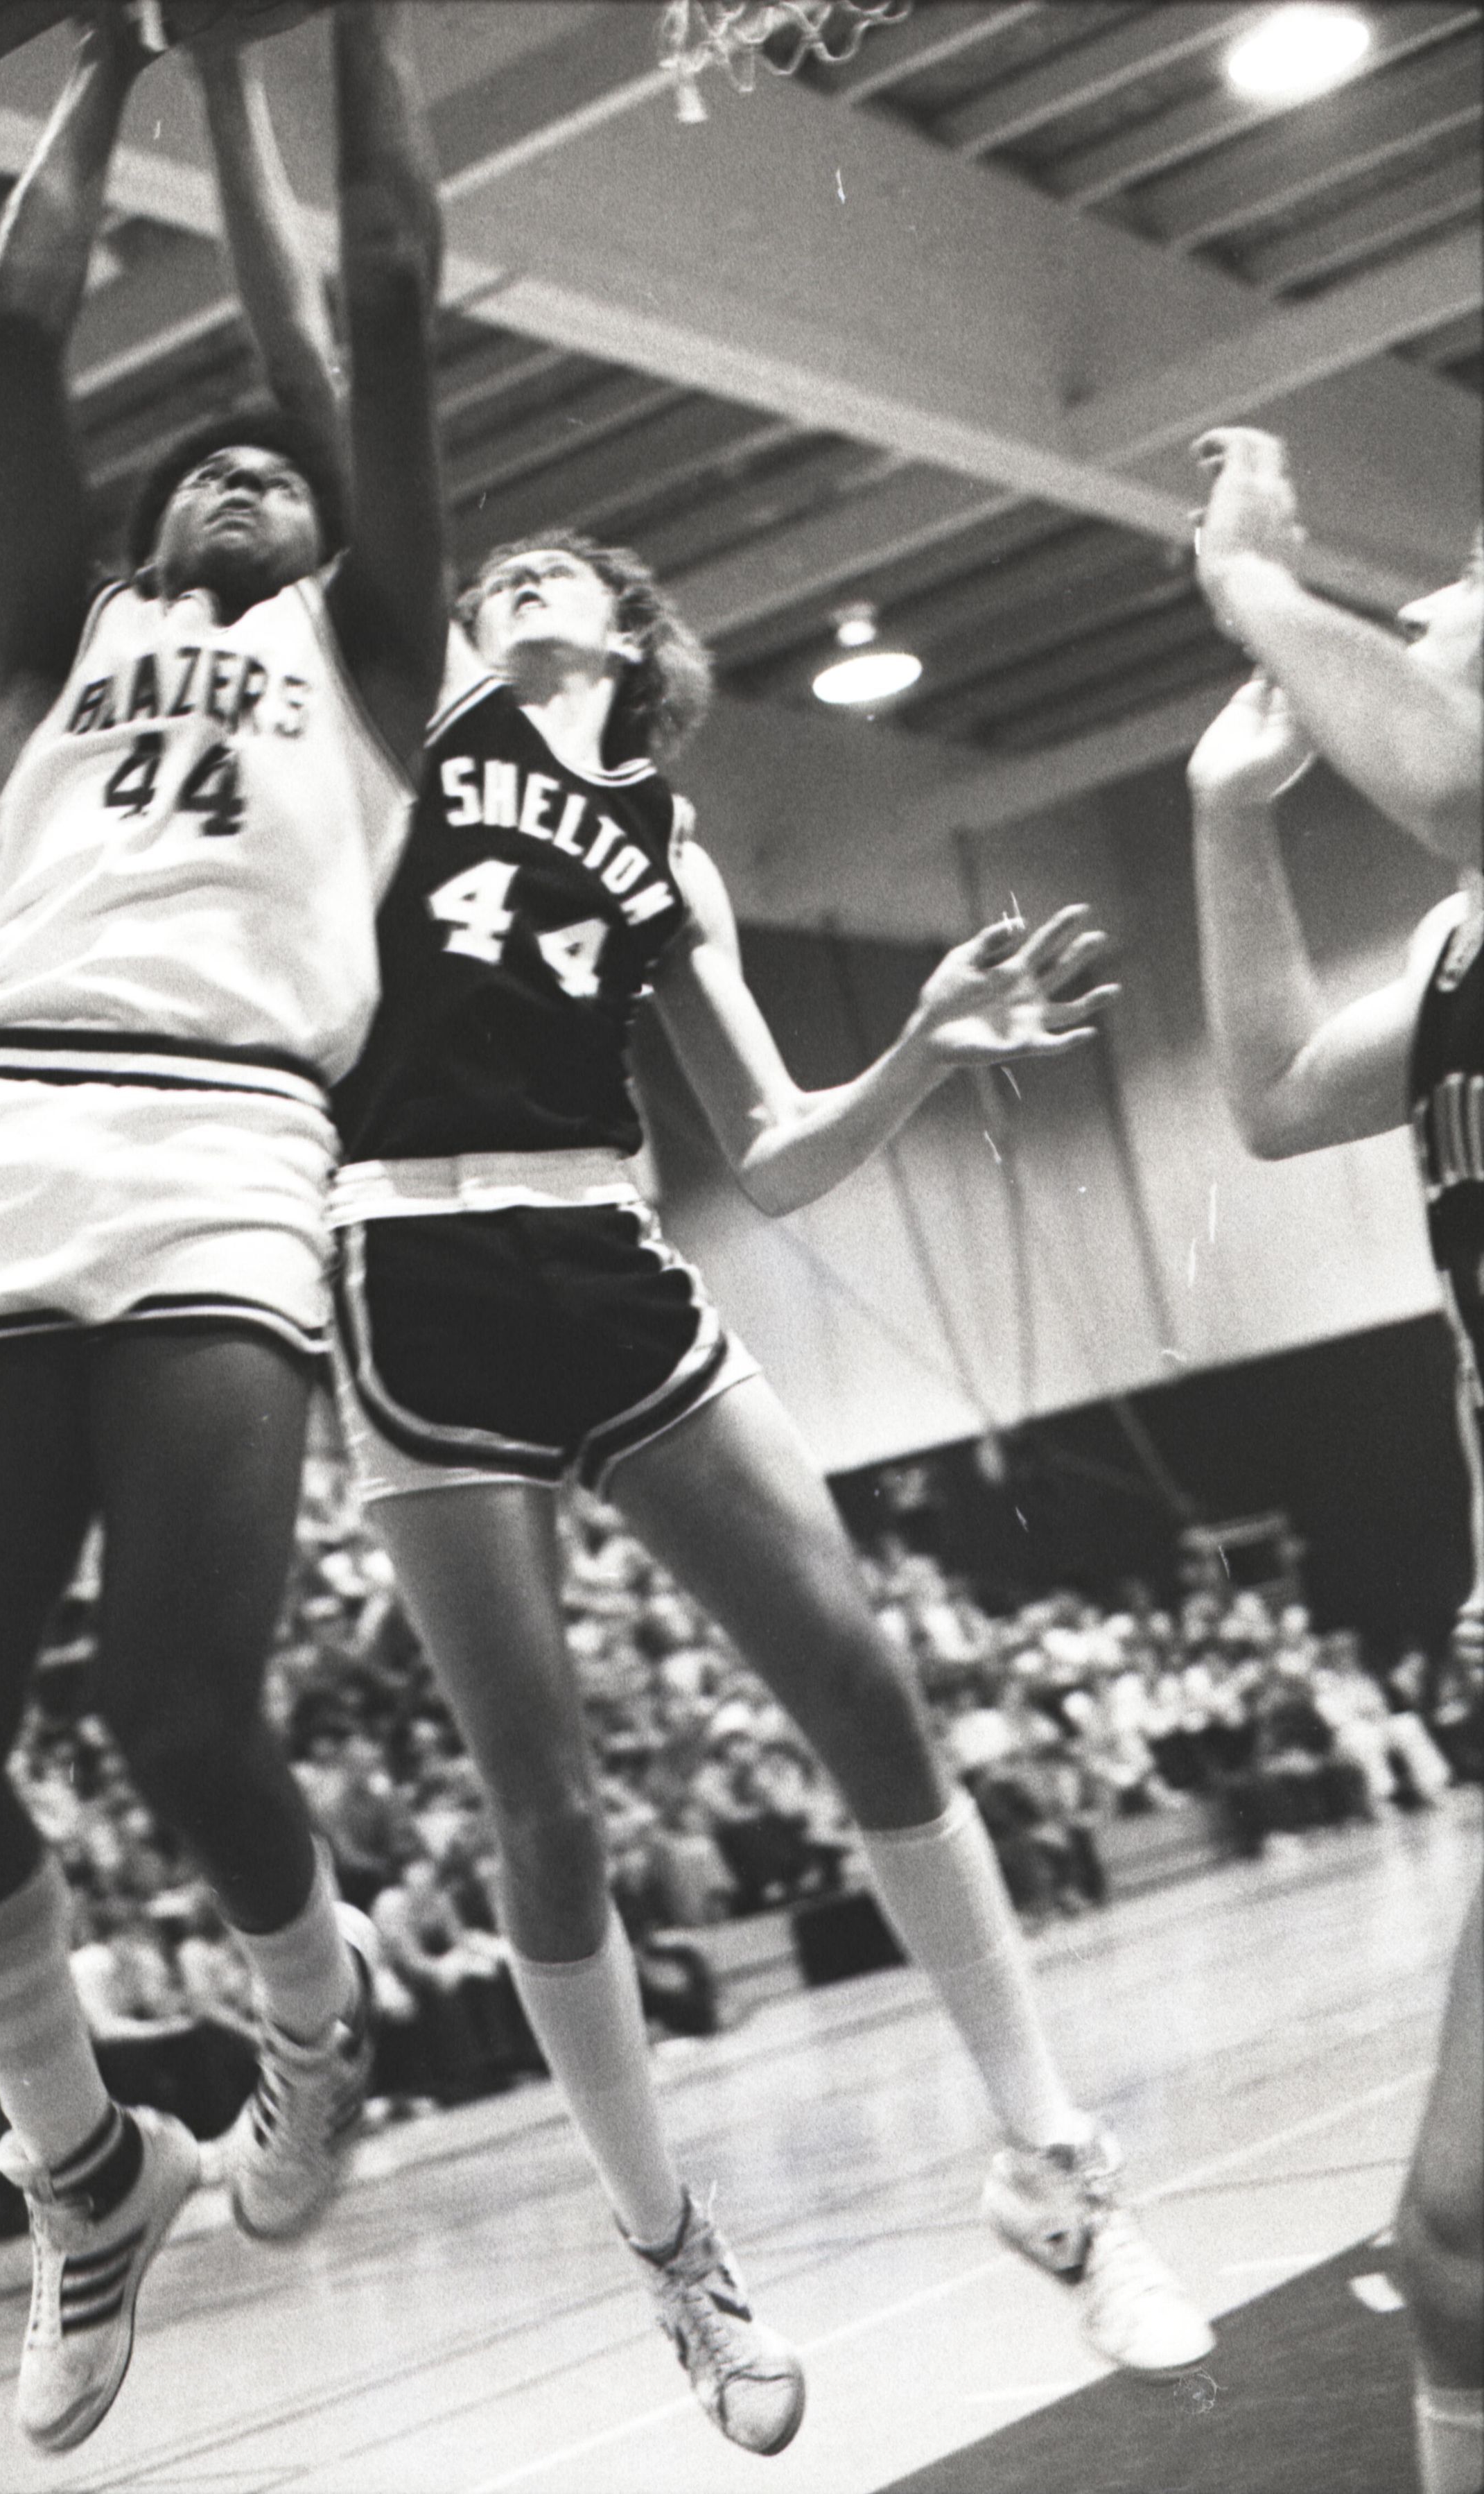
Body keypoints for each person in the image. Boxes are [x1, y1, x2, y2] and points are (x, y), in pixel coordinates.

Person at [311, 526, 1217, 2448]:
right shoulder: (409, 745)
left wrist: (919, 1052)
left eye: (554, 570)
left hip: (607, 1254)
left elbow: (778, 1150)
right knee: (548, 1808)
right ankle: (672, 2253)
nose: (512, 583)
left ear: (635, 632)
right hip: (412, 1264)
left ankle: (1055, 2167)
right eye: (491, 576)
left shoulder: (668, 845)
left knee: (869, 1690)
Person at [0, 2, 446, 2453]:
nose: (238, 482)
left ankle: (316, 2032)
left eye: (275, 476)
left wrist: (301, 38)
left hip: (220, 1144)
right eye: (201, 473)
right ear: (148, 536)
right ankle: (89, 2173)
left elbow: (378, 291)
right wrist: (102, 50)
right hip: (5, 1145)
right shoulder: (59, 654)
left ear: (327, 536)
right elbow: (15, 342)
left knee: (183, 1710)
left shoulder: (373, 658)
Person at [1189, 424, 1483, 2494]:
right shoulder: (1462, 955)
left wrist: (1255, 586)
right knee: (1458, 2251)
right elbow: (1282, 1087)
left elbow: (1457, 776)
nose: (1432, 604)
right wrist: (1228, 820)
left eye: (1465, 596)